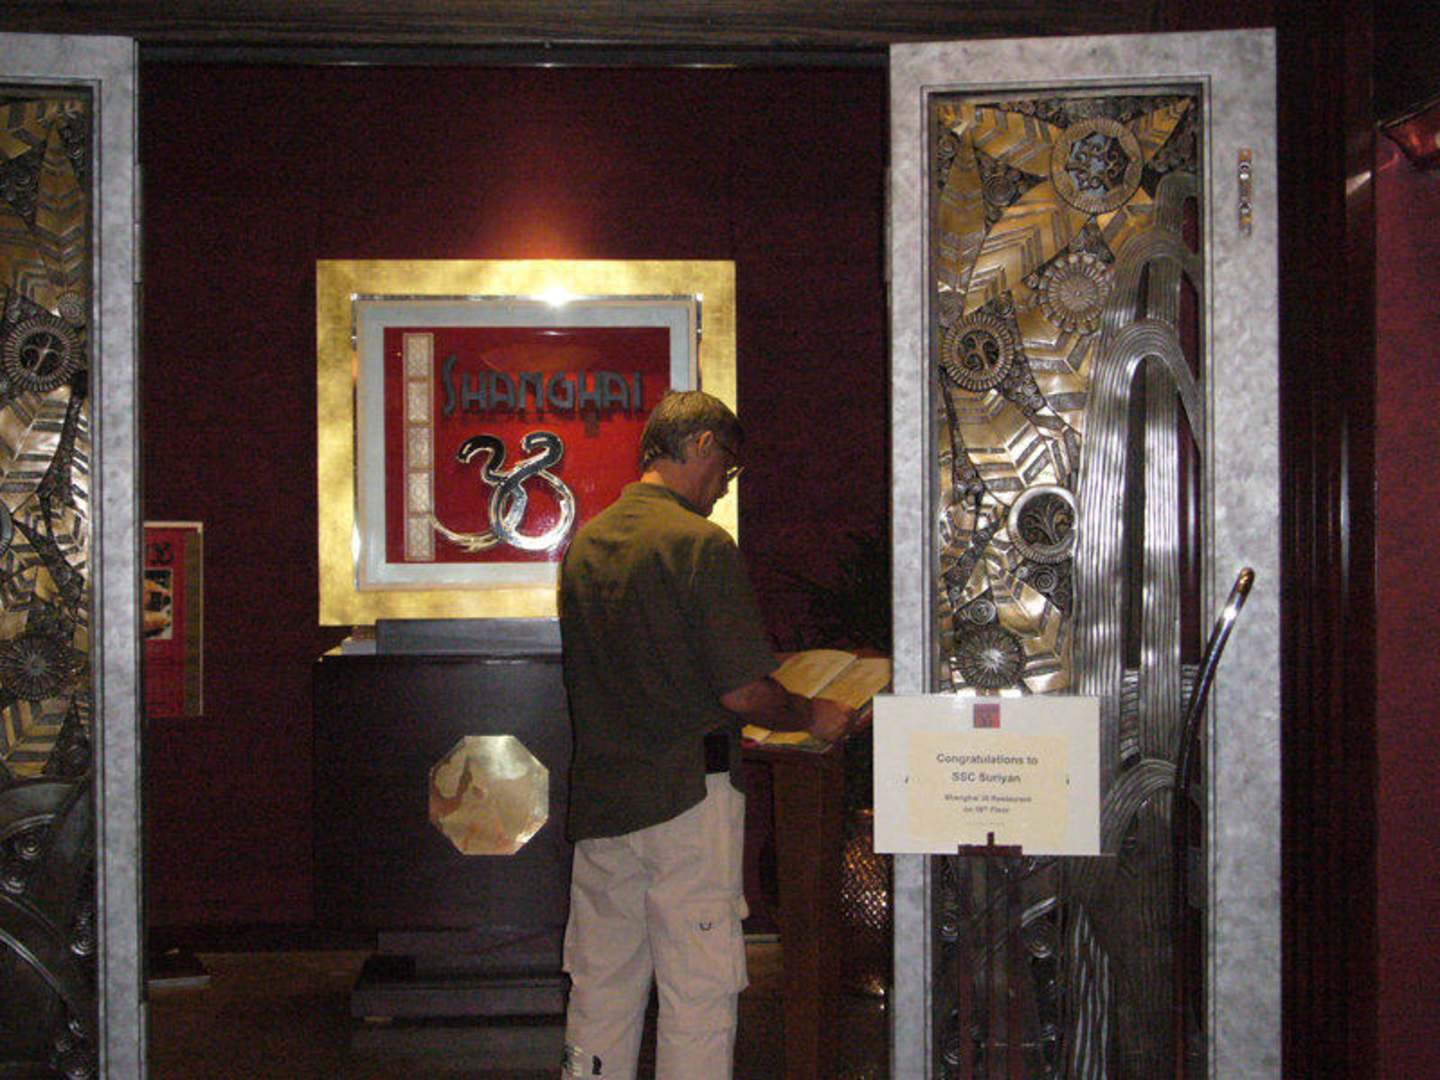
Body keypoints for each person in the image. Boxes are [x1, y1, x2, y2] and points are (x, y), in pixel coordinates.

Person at [558, 390, 852, 1080]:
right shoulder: (699, 544)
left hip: (603, 805)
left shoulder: (586, 545)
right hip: (688, 801)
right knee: (698, 991)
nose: (723, 489)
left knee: (601, 988)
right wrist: (813, 714)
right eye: (728, 469)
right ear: (700, 446)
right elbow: (742, 692)